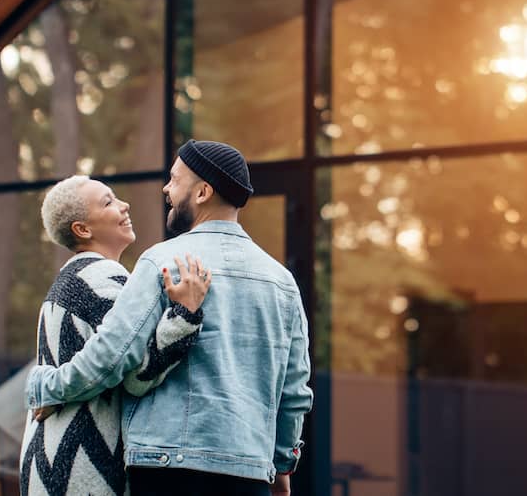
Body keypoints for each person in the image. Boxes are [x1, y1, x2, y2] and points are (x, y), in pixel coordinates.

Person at [25, 140, 314, 496]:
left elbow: (113, 355)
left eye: (175, 180)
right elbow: (295, 390)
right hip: (248, 469)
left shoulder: (162, 261)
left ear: (203, 192)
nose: (166, 188)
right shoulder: (282, 282)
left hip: (166, 469)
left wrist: (47, 386)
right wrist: (282, 464)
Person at [19, 175, 212, 496]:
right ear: (83, 229)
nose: (124, 206)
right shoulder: (100, 275)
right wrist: (185, 313)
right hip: (83, 468)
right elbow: (137, 373)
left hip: (53, 463)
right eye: (108, 202)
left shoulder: (70, 278)